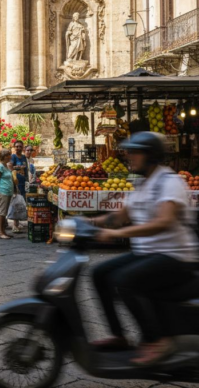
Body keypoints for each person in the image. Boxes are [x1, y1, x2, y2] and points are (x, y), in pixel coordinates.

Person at [88, 132, 198, 366]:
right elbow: (122, 215)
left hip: (175, 256)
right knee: (98, 273)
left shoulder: (169, 182)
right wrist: (91, 223)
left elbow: (163, 222)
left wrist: (117, 234)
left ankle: (158, 340)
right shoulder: (142, 183)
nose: (129, 156)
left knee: (124, 280)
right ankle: (118, 336)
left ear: (151, 156)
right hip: (148, 253)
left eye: (134, 152)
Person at [0, 149, 15, 240]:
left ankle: (3, 231)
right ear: (5, 156)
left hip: (8, 191)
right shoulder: (0, 167)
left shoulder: (6, 166)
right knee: (1, 212)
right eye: (9, 155)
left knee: (4, 213)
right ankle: (0, 232)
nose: (10, 156)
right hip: (3, 191)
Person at [10, 141, 28, 233]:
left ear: (22, 147)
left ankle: (18, 221)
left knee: (22, 203)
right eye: (16, 146)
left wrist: (27, 180)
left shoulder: (24, 157)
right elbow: (10, 167)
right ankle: (15, 224)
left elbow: (26, 169)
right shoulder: (13, 157)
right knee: (16, 203)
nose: (18, 148)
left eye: (20, 146)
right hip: (16, 184)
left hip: (23, 183)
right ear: (14, 147)